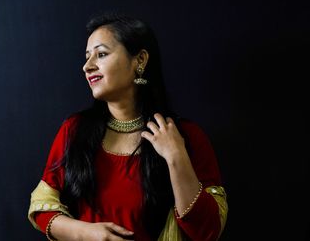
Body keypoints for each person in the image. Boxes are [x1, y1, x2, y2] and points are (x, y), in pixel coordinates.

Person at [28, 12, 228, 241]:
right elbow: (43, 208)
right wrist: (87, 233)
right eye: (86, 57)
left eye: (101, 54)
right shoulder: (75, 131)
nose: (87, 66)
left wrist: (176, 157)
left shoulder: (186, 137)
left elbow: (207, 231)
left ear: (140, 60)